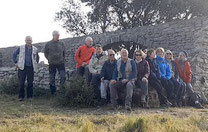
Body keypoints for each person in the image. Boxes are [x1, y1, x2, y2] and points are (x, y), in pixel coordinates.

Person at [13, 36, 39, 101]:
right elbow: (14, 54)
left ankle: (29, 97)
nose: (28, 41)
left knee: (30, 83)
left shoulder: (35, 49)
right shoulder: (21, 47)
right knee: (21, 83)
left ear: (32, 41)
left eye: (29, 40)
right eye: (27, 40)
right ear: (25, 41)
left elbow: (37, 58)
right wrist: (16, 63)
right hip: (22, 67)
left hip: (30, 68)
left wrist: (35, 64)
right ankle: (21, 97)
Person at [44, 30, 66, 95]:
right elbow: (45, 53)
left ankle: (62, 90)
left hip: (61, 63)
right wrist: (49, 59)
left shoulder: (62, 43)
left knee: (63, 76)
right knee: (52, 78)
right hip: (52, 63)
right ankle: (53, 92)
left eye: (58, 35)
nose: (58, 36)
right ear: (53, 36)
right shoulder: (48, 44)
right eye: (56, 35)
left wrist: (63, 58)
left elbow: (64, 52)